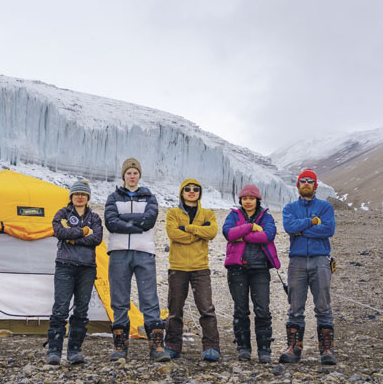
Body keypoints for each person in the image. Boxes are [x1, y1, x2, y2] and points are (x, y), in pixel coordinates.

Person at [104, 158, 170, 362]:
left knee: (149, 298)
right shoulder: (112, 197)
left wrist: (126, 221)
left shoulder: (149, 197)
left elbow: (149, 220)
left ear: (139, 175)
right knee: (119, 299)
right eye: (128, 173)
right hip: (118, 253)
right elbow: (110, 222)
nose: (132, 176)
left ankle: (157, 346)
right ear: (123, 176)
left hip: (144, 252)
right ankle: (120, 347)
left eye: (135, 173)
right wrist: (137, 225)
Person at [279, 169, 336, 365]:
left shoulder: (325, 207)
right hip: (297, 261)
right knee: (295, 306)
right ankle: (294, 348)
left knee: (323, 305)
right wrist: (311, 222)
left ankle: (326, 349)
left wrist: (301, 230)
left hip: (320, 259)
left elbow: (329, 229)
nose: (306, 183)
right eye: (302, 181)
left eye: (310, 181)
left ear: (315, 185)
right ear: (298, 185)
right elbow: (289, 228)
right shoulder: (289, 208)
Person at [46, 180, 103, 365]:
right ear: (71, 196)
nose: (80, 197)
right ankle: (54, 351)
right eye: (77, 193)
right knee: (60, 308)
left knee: (81, 309)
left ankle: (74, 351)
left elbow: (97, 238)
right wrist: (84, 232)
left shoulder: (94, 217)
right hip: (65, 265)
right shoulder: (62, 213)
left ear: (88, 198)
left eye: (83, 194)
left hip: (87, 268)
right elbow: (59, 231)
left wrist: (74, 238)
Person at [222, 184, 280, 363]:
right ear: (240, 200)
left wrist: (242, 234)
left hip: (260, 269)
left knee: (262, 309)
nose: (248, 201)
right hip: (237, 268)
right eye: (245, 198)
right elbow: (228, 233)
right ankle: (243, 348)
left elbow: (268, 235)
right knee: (241, 310)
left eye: (251, 198)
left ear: (257, 200)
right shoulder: (233, 215)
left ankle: (264, 349)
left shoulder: (267, 217)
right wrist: (251, 227)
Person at [164, 179, 220, 361]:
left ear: (199, 193)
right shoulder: (172, 213)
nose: (191, 191)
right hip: (177, 267)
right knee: (174, 309)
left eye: (195, 189)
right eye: (187, 189)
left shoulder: (208, 213)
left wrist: (187, 228)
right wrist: (198, 234)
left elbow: (211, 232)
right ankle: (172, 345)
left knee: (206, 308)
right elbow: (173, 234)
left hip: (200, 268)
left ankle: (211, 346)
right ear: (182, 192)